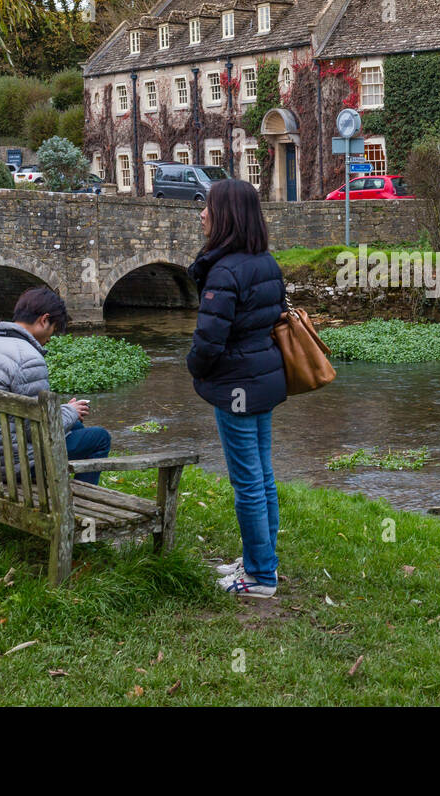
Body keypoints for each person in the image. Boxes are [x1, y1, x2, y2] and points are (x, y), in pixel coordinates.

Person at [186, 178, 287, 598]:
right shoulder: (264, 262)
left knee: (247, 481)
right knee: (262, 476)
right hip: (262, 379)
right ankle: (259, 560)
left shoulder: (225, 271)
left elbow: (209, 340)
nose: (203, 214)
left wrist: (194, 369)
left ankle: (260, 576)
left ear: (226, 214)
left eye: (209, 207)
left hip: (236, 387)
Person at [0, 286, 111, 484]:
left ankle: (66, 484)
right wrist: (69, 411)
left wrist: (68, 412)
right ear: (44, 319)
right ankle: (82, 496)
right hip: (16, 465)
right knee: (100, 438)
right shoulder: (28, 358)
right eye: (53, 329)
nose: (49, 338)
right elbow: (37, 428)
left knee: (76, 424)